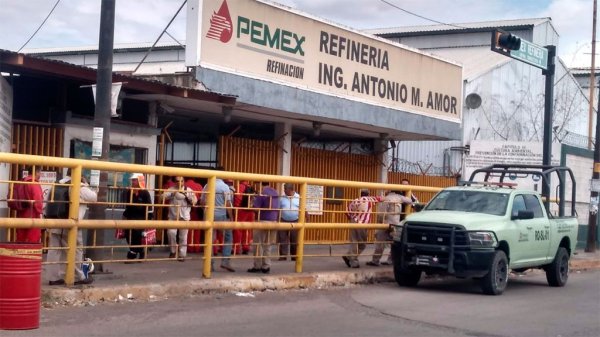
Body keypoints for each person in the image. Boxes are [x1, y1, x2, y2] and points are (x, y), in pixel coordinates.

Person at [47, 175, 97, 285]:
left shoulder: (57, 184)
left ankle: (54, 277)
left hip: (55, 222)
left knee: (54, 250)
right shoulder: (79, 186)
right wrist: (86, 184)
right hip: (71, 224)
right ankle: (77, 276)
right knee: (75, 249)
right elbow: (94, 197)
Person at [366, 190, 412, 267]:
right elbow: (410, 201)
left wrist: (380, 223)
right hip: (395, 224)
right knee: (395, 243)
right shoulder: (399, 197)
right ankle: (390, 260)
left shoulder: (386, 198)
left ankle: (375, 260)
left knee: (380, 243)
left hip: (385, 224)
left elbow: (381, 213)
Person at [200, 173, 235, 272]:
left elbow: (202, 202)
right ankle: (225, 261)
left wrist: (206, 211)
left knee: (209, 240)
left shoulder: (207, 185)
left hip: (208, 216)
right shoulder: (225, 187)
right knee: (228, 237)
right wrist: (231, 218)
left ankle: (209, 264)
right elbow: (228, 204)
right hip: (221, 216)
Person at [342, 189, 381, 268]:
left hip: (353, 222)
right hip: (362, 223)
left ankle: (349, 257)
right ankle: (352, 259)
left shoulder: (355, 200)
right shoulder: (369, 199)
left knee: (354, 241)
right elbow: (381, 198)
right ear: (368, 194)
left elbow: (347, 211)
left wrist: (352, 219)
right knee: (362, 244)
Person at [247, 182, 279, 274]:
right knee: (267, 245)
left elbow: (256, 208)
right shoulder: (275, 192)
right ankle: (266, 266)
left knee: (257, 244)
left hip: (263, 221)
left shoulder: (262, 193)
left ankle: (257, 266)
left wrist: (252, 203)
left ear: (260, 184)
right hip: (273, 221)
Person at [163, 176, 197, 262]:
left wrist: (188, 197)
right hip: (173, 216)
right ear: (175, 182)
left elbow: (195, 201)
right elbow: (162, 197)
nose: (179, 183)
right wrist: (172, 194)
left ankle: (182, 255)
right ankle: (173, 251)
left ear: (184, 181)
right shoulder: (171, 189)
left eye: (181, 181)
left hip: (184, 216)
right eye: (177, 181)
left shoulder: (188, 190)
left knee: (183, 237)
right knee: (171, 233)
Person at [8, 167, 43, 243]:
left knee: (21, 238)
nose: (40, 175)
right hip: (32, 214)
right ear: (36, 172)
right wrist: (41, 211)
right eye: (40, 172)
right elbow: (38, 201)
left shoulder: (23, 181)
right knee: (32, 239)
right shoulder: (34, 183)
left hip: (21, 213)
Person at [122, 173, 152, 261]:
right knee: (128, 234)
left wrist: (149, 219)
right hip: (131, 217)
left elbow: (149, 207)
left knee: (137, 235)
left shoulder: (145, 192)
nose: (133, 182)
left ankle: (133, 253)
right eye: (132, 180)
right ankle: (139, 250)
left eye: (134, 180)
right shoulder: (129, 192)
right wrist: (124, 216)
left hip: (141, 217)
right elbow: (128, 206)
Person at [278, 183, 300, 261]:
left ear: (290, 189)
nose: (284, 191)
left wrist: (307, 219)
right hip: (283, 220)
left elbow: (304, 209)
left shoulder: (298, 197)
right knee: (282, 239)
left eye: (285, 189)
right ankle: (283, 256)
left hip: (295, 221)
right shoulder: (282, 198)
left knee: (294, 240)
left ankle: (294, 256)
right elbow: (278, 209)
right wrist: (277, 220)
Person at [233, 180, 255, 255]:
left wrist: (235, 210)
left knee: (238, 230)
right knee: (247, 230)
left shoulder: (239, 187)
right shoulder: (251, 187)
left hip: (241, 211)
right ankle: (246, 247)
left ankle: (236, 248)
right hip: (250, 211)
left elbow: (237, 200)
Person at [185, 177, 203, 253]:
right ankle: (196, 247)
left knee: (188, 229)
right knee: (197, 229)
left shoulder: (184, 185)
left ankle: (189, 247)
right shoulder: (199, 186)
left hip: (186, 210)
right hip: (197, 210)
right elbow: (202, 198)